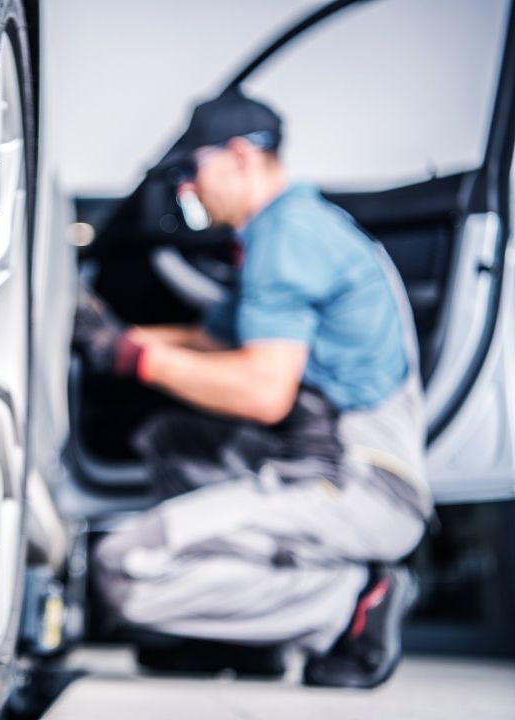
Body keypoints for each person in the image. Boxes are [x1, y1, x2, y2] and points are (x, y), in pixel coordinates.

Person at [74, 88, 433, 688]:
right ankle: (237, 640)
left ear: (239, 156)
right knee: (174, 436)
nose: (186, 188)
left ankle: (350, 606)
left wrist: (130, 356)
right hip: (309, 459)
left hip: (359, 484)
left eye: (193, 169)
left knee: (121, 571)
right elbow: (210, 341)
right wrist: (102, 328)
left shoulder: (287, 235)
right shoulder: (285, 228)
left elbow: (262, 392)